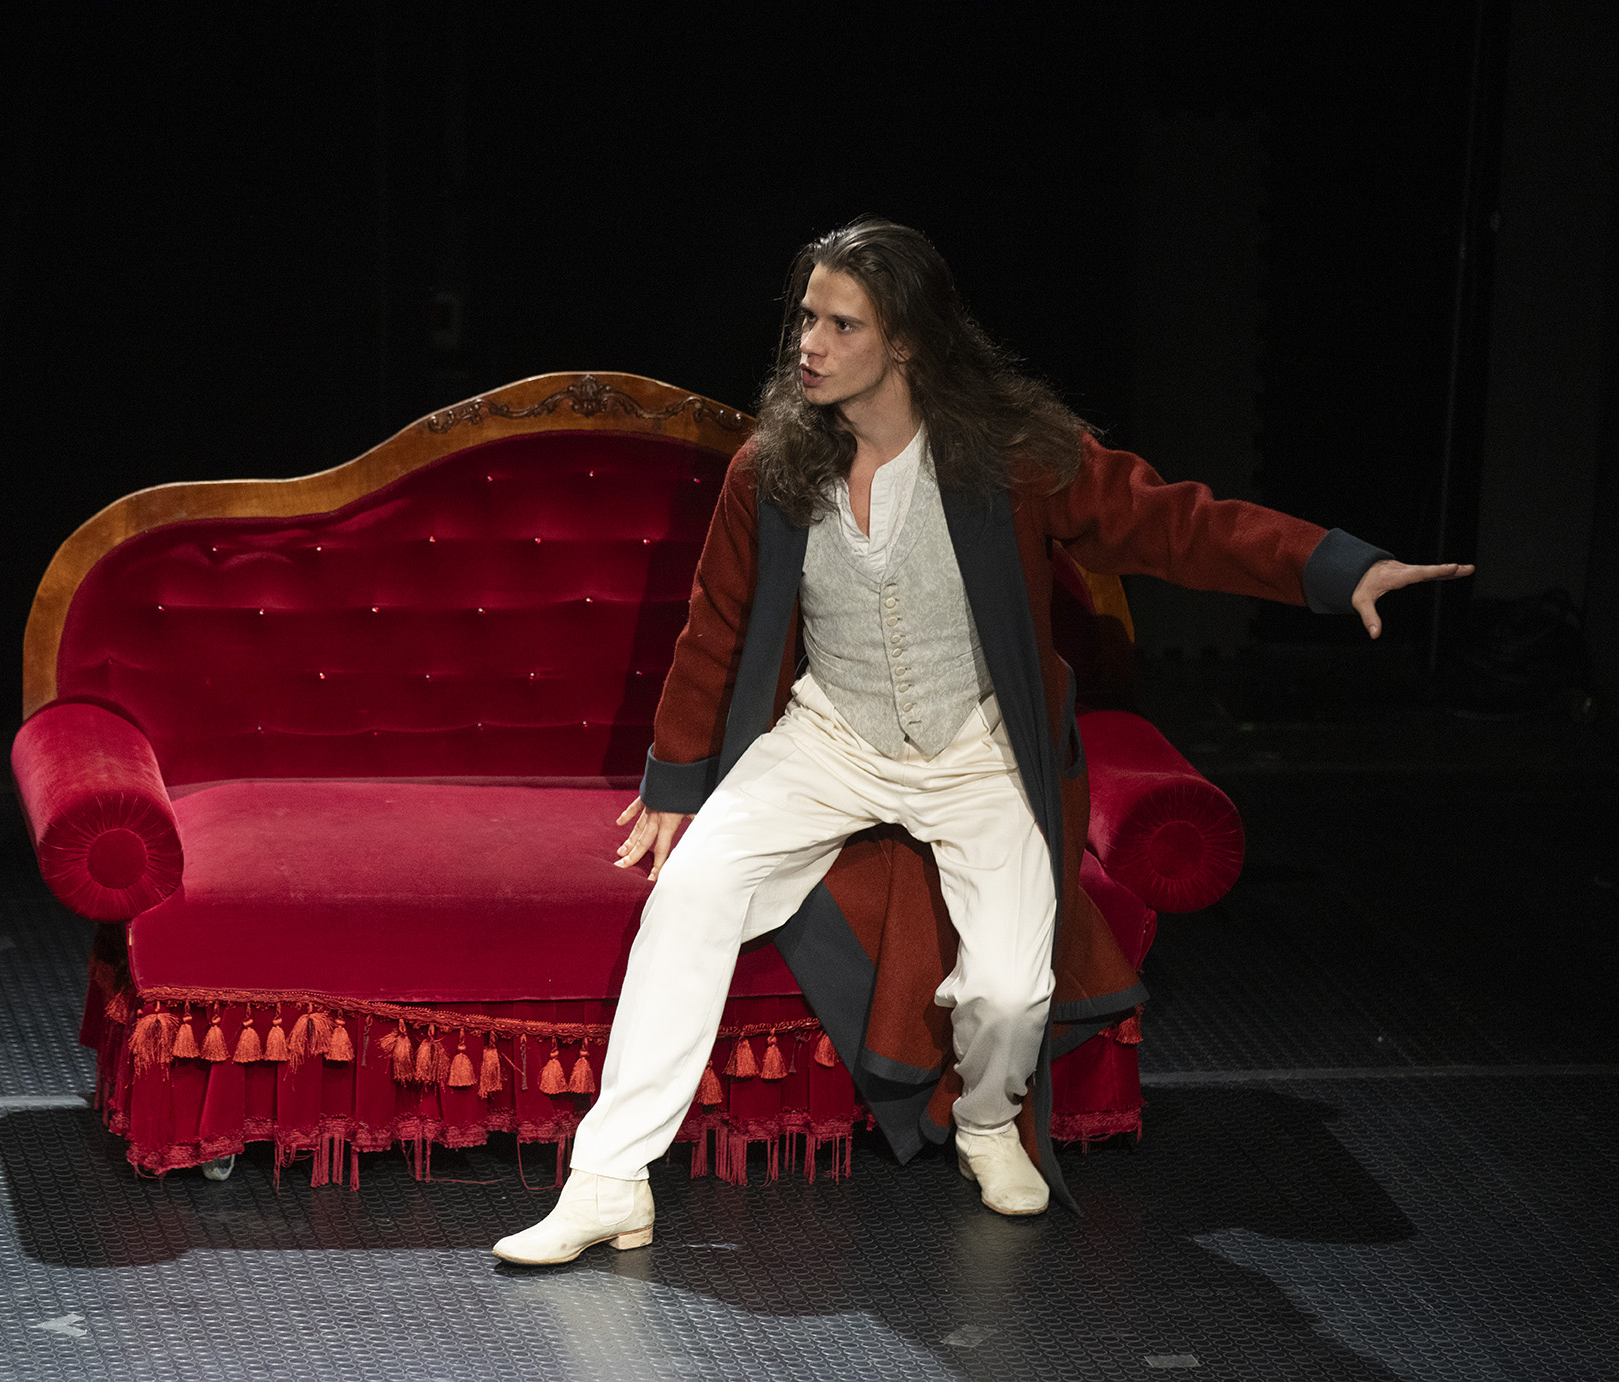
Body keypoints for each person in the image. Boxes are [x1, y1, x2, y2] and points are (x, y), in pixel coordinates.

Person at [492, 217, 1472, 1265]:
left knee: (1008, 991)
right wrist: (675, 782)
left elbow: (1174, 522)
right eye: (806, 318)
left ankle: (988, 1119)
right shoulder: (773, 468)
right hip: (830, 737)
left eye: (840, 324)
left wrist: (1332, 568)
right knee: (689, 897)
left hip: (976, 747)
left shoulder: (1010, 459)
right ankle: (609, 1180)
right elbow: (717, 625)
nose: (808, 344)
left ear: (907, 340)